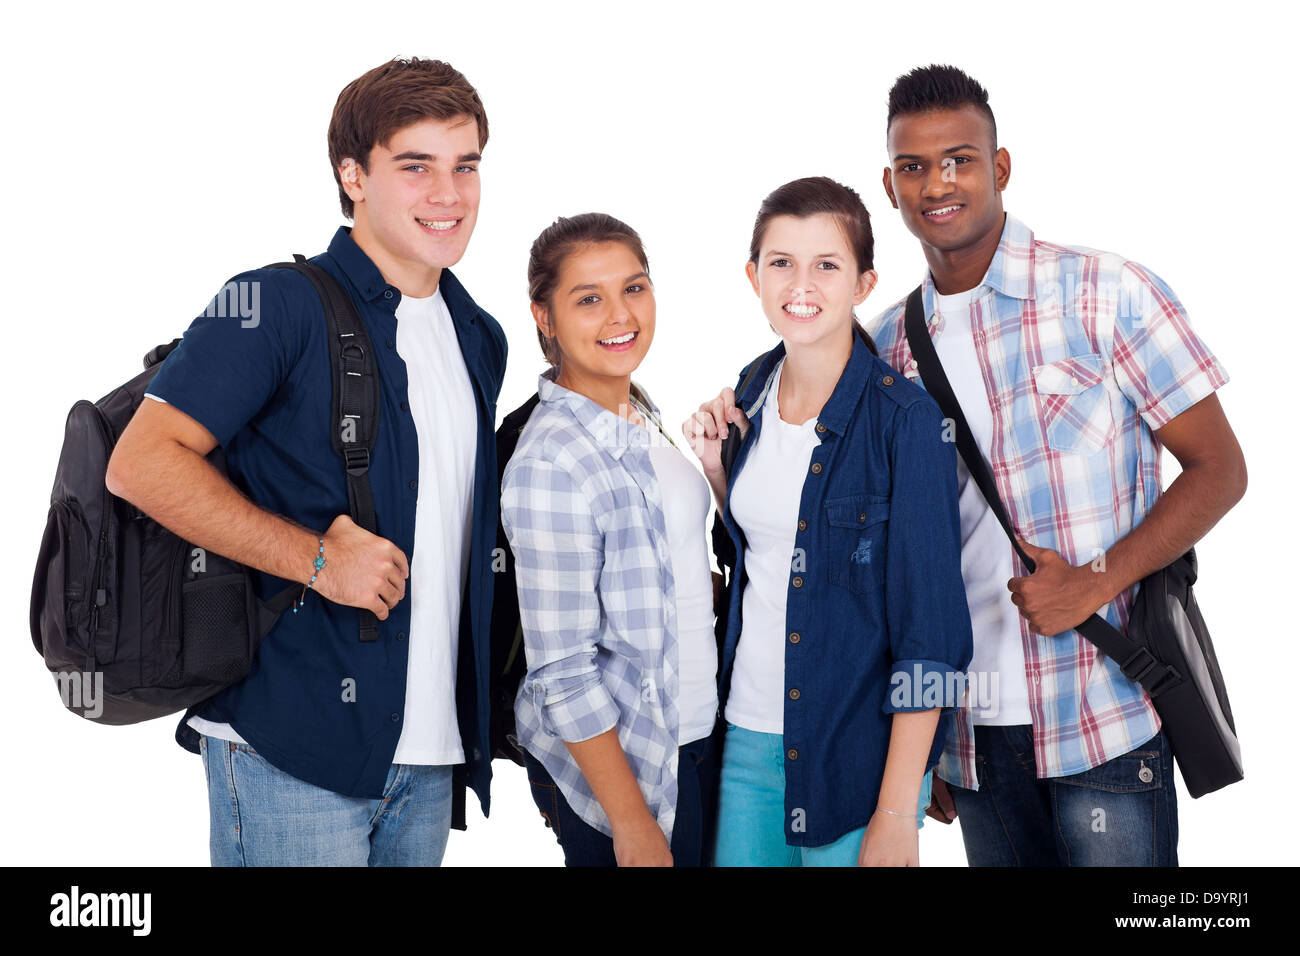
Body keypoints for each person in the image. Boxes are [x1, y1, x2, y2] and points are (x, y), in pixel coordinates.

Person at [104, 57, 508, 866]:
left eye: (465, 166)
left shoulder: (476, 334)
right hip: (289, 745)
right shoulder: (275, 303)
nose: (449, 194)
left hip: (428, 754)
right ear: (352, 175)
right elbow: (141, 463)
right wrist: (318, 559)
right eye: (416, 167)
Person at [869, 64, 1247, 866]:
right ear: (891, 186)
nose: (938, 182)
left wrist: (1097, 579)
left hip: (1101, 713)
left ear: (1000, 168)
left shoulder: (1105, 293)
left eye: (959, 159)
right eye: (913, 167)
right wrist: (921, 738)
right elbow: (893, 559)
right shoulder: (888, 347)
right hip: (971, 734)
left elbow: (1219, 469)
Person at [684, 177, 973, 866]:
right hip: (744, 743)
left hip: (854, 762)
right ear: (754, 275)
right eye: (781, 262)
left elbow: (930, 640)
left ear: (864, 282)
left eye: (827, 264)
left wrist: (899, 810)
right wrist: (717, 475)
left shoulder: (906, 424)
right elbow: (768, 557)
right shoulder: (748, 389)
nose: (800, 283)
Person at [501, 213, 722, 867]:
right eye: (588, 298)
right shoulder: (552, 461)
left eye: (634, 287)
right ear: (544, 316)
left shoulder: (635, 409)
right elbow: (562, 673)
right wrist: (630, 821)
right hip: (636, 776)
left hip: (702, 739)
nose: (620, 315)